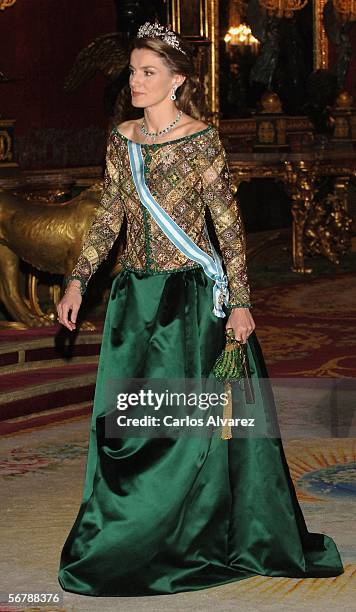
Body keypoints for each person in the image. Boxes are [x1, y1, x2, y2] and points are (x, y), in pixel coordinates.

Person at [57, 21, 344, 597]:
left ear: (177, 80)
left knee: (187, 427)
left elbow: (228, 228)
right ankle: (127, 530)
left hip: (189, 301)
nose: (135, 82)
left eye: (148, 72)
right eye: (133, 71)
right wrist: (77, 282)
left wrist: (240, 301)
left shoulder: (200, 141)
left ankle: (191, 535)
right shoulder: (123, 139)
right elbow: (109, 215)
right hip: (133, 298)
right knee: (130, 423)